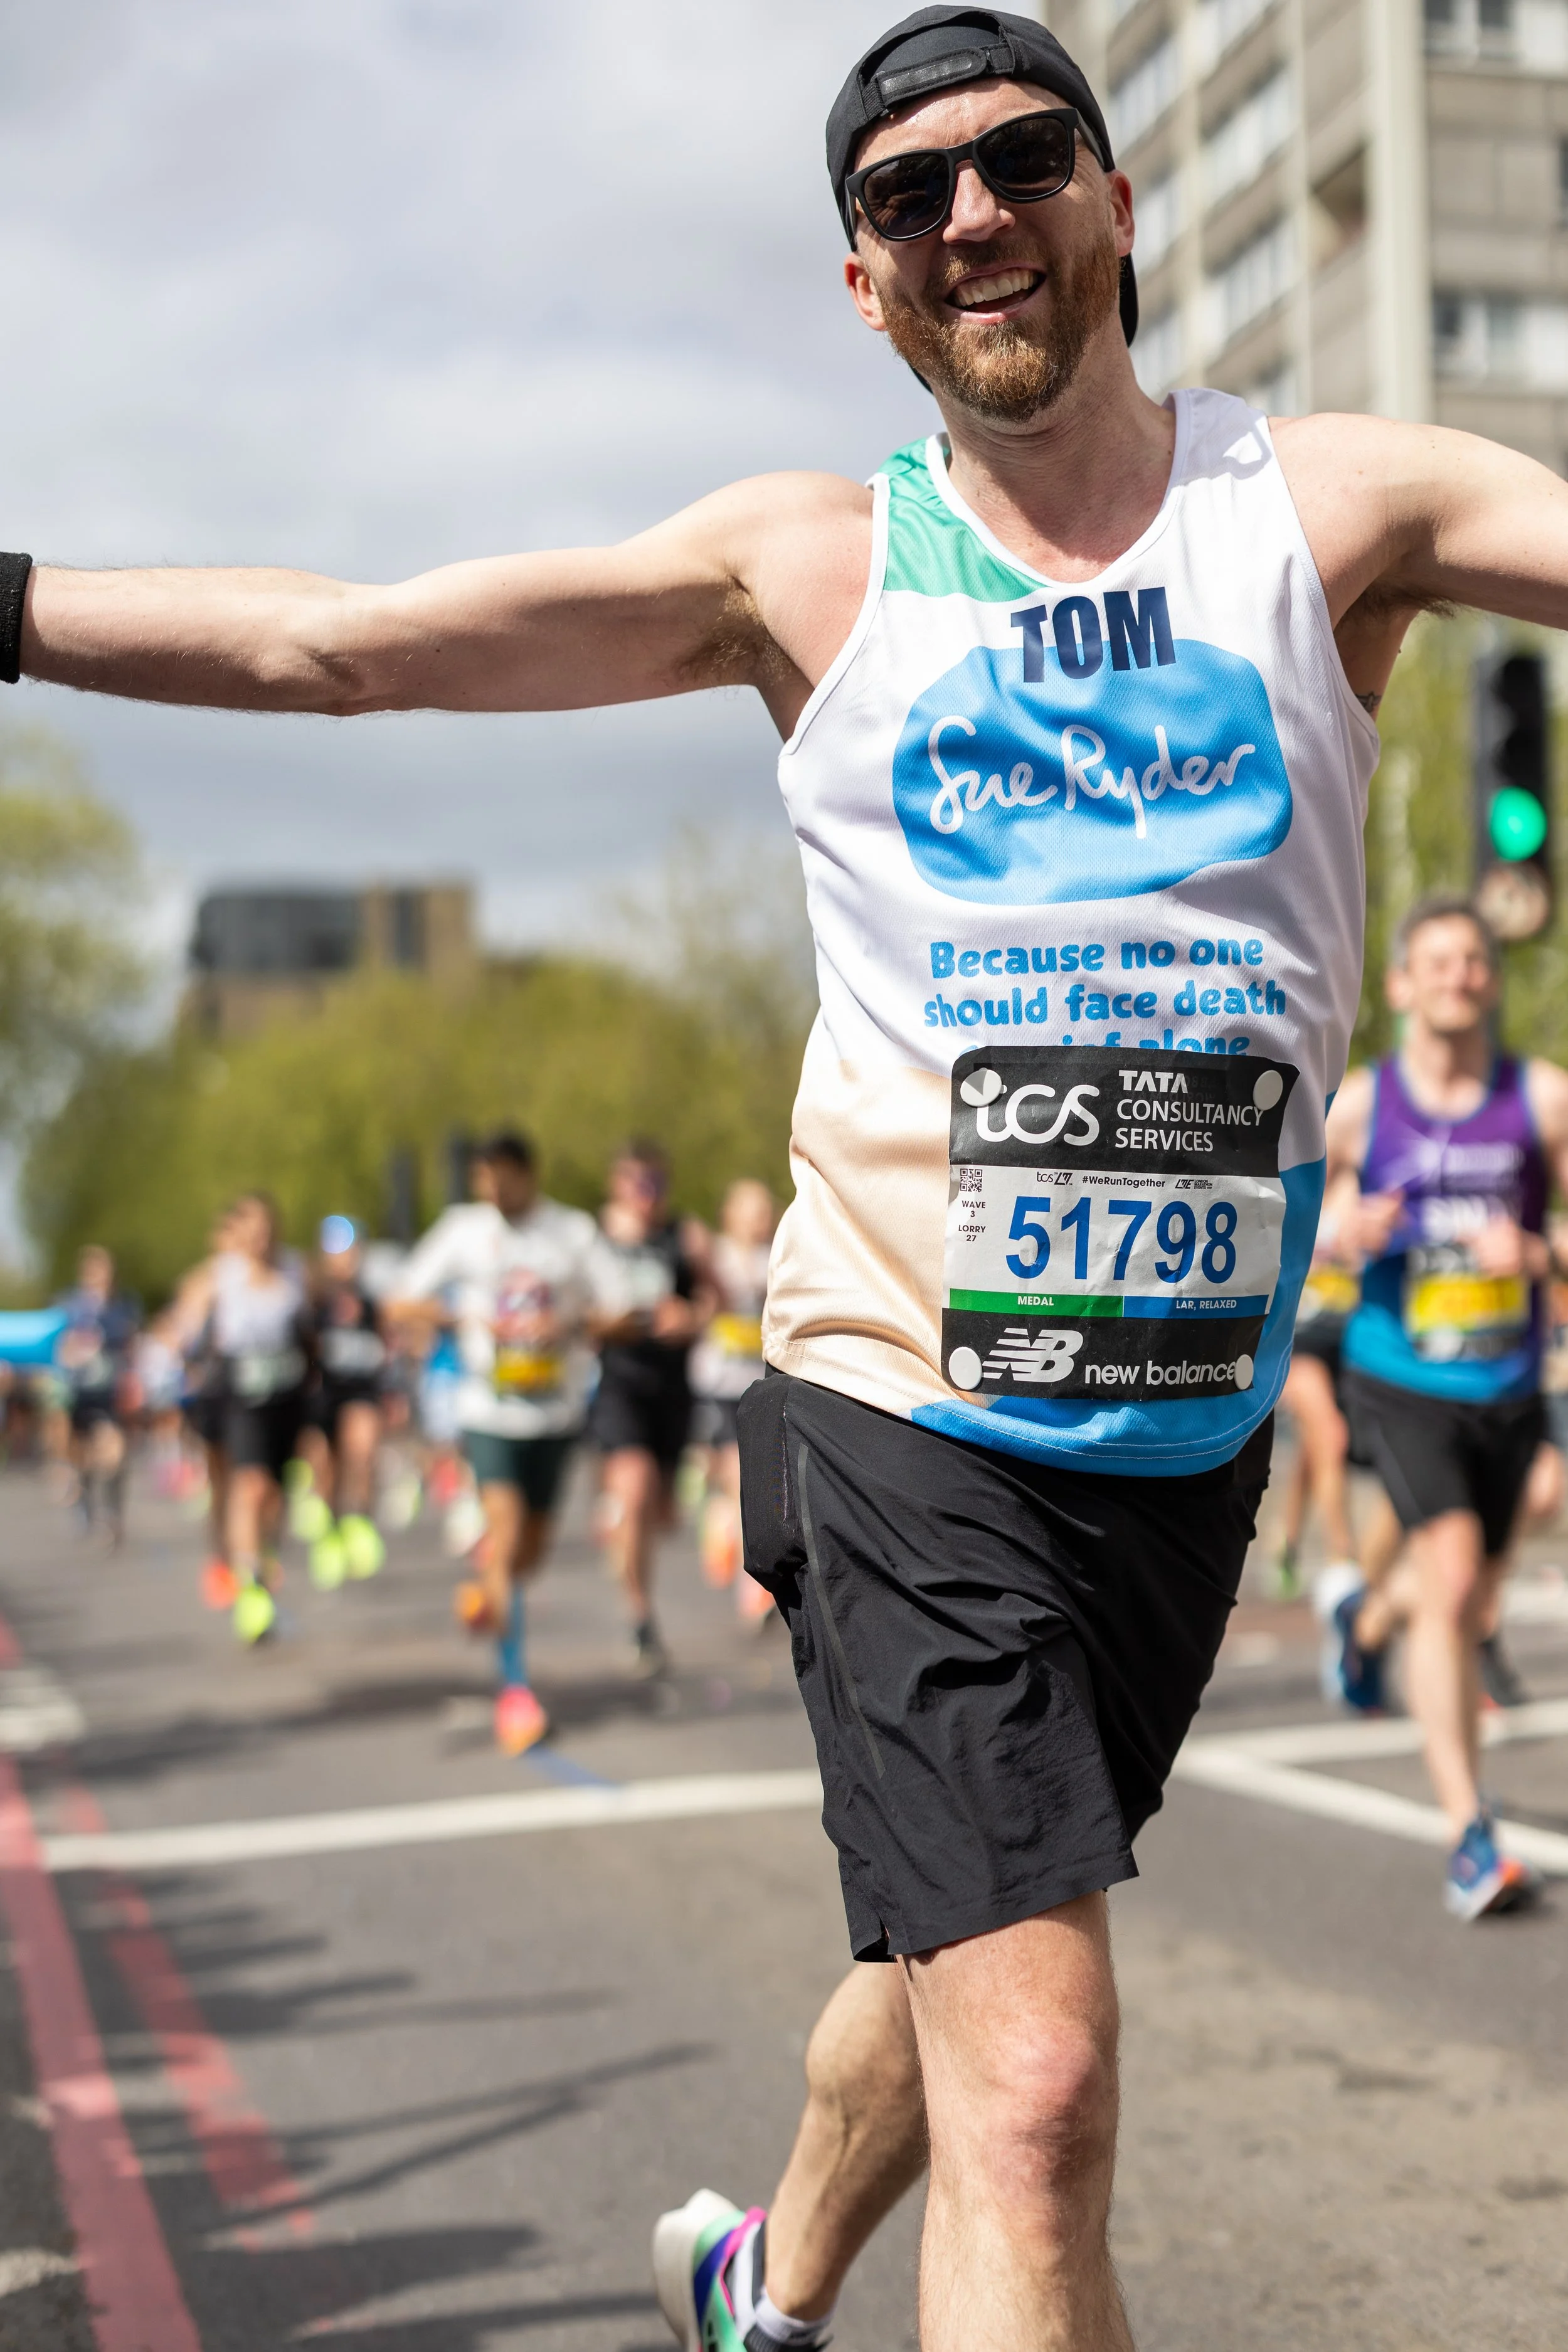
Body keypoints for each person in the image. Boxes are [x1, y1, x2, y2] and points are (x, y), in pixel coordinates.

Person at [17, 0, 1568, 2333]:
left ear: (1116, 204)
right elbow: (346, 651)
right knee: (1035, 2073)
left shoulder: (1337, 505)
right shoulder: (806, 564)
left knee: (952, 1969)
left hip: (1176, 1423)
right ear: (864, 284)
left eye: (1022, 155)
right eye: (900, 194)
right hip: (897, 1395)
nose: (970, 212)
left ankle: (764, 2265)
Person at [1320, 896, 1568, 1919]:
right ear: (1403, 986)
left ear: (1490, 980)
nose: (1462, 976)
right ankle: (1471, 1835)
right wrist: (1340, 1228)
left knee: (1468, 1588)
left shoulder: (1543, 1100)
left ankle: (1369, 1626)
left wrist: (1541, 1253)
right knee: (1458, 1575)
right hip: (1401, 1374)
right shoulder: (1362, 1106)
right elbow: (1288, 1218)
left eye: (1476, 961)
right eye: (1441, 961)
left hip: (1509, 1386)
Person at [388, 1130, 601, 1756]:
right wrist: (461, 1317)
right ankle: (515, 1694)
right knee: (505, 1538)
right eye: (483, 1178)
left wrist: (566, 1324)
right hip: (488, 1411)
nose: (491, 1189)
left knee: (526, 1556)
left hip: (555, 1413)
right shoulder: (462, 1231)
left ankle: (486, 1592)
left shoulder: (572, 1233)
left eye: (501, 1176)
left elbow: (617, 1308)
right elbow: (403, 1299)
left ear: (528, 1173)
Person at [588, 1142, 716, 1674]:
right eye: (637, 1185)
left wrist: (691, 1317)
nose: (647, 1197)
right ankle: (640, 1617)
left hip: (672, 1389)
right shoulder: (594, 1241)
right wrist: (610, 1323)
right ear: (617, 1184)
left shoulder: (684, 1238)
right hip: (620, 1385)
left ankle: (621, 1523)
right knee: (637, 1491)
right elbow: (578, 1313)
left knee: (663, 1515)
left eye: (656, 1186)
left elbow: (715, 1299)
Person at [172, 1193, 309, 1645]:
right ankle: (246, 1579)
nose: (260, 1236)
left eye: (267, 1227)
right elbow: (185, 1321)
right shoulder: (220, 1275)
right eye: (251, 1227)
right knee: (249, 1486)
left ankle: (261, 1563)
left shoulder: (296, 1272)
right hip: (238, 1398)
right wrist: (187, 1335)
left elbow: (322, 1318)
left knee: (275, 1497)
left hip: (287, 1398)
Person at [688, 1179, 778, 1619]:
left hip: (755, 1382)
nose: (762, 1218)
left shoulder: (775, 1258)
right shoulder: (715, 1255)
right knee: (733, 1472)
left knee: (744, 1476)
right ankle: (750, 1581)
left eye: (767, 1209)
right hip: (718, 1383)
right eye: (753, 1210)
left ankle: (721, 1525)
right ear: (730, 1214)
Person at [295, 1214, 389, 1588]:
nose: (346, 1260)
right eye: (338, 1252)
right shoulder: (313, 1298)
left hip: (362, 1389)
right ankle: (331, 1531)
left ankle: (359, 1520)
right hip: (321, 1393)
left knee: (363, 1451)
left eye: (352, 1251)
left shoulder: (371, 1298)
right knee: (326, 1468)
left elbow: (387, 1342)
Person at [1274, 1244, 1359, 1599]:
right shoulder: (1298, 1187)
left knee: (1314, 1451)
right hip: (1299, 1341)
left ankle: (1285, 1542)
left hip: (1348, 1342)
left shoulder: (1368, 1191)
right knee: (1331, 1435)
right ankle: (1343, 1557)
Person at [52, 1245, 140, 1546]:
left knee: (116, 1454)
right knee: (83, 1457)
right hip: (79, 1392)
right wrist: (74, 1351)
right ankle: (84, 1504)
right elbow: (56, 1347)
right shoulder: (70, 1306)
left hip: (110, 1393)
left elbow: (131, 1347)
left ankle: (112, 1514)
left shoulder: (124, 1306)